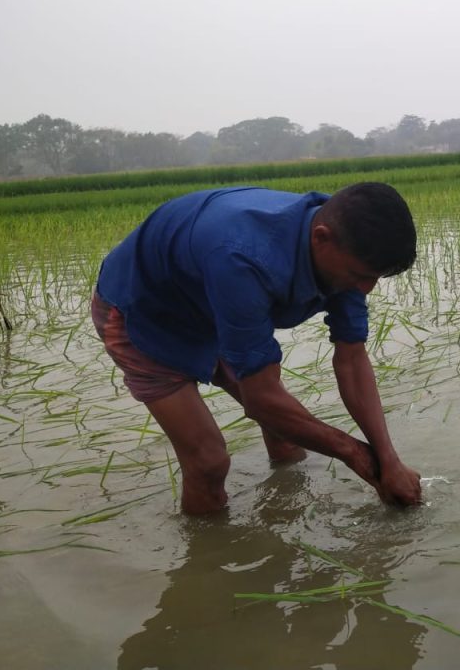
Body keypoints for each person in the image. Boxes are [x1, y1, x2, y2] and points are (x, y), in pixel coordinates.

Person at [91, 181, 422, 513]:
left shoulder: (348, 249)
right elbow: (261, 400)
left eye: (375, 277)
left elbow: (351, 360)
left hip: (212, 301)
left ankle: (284, 515)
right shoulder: (243, 257)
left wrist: (388, 458)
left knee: (287, 433)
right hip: (143, 312)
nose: (365, 288)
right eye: (359, 275)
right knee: (208, 462)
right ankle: (206, 544)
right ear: (320, 238)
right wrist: (355, 454)